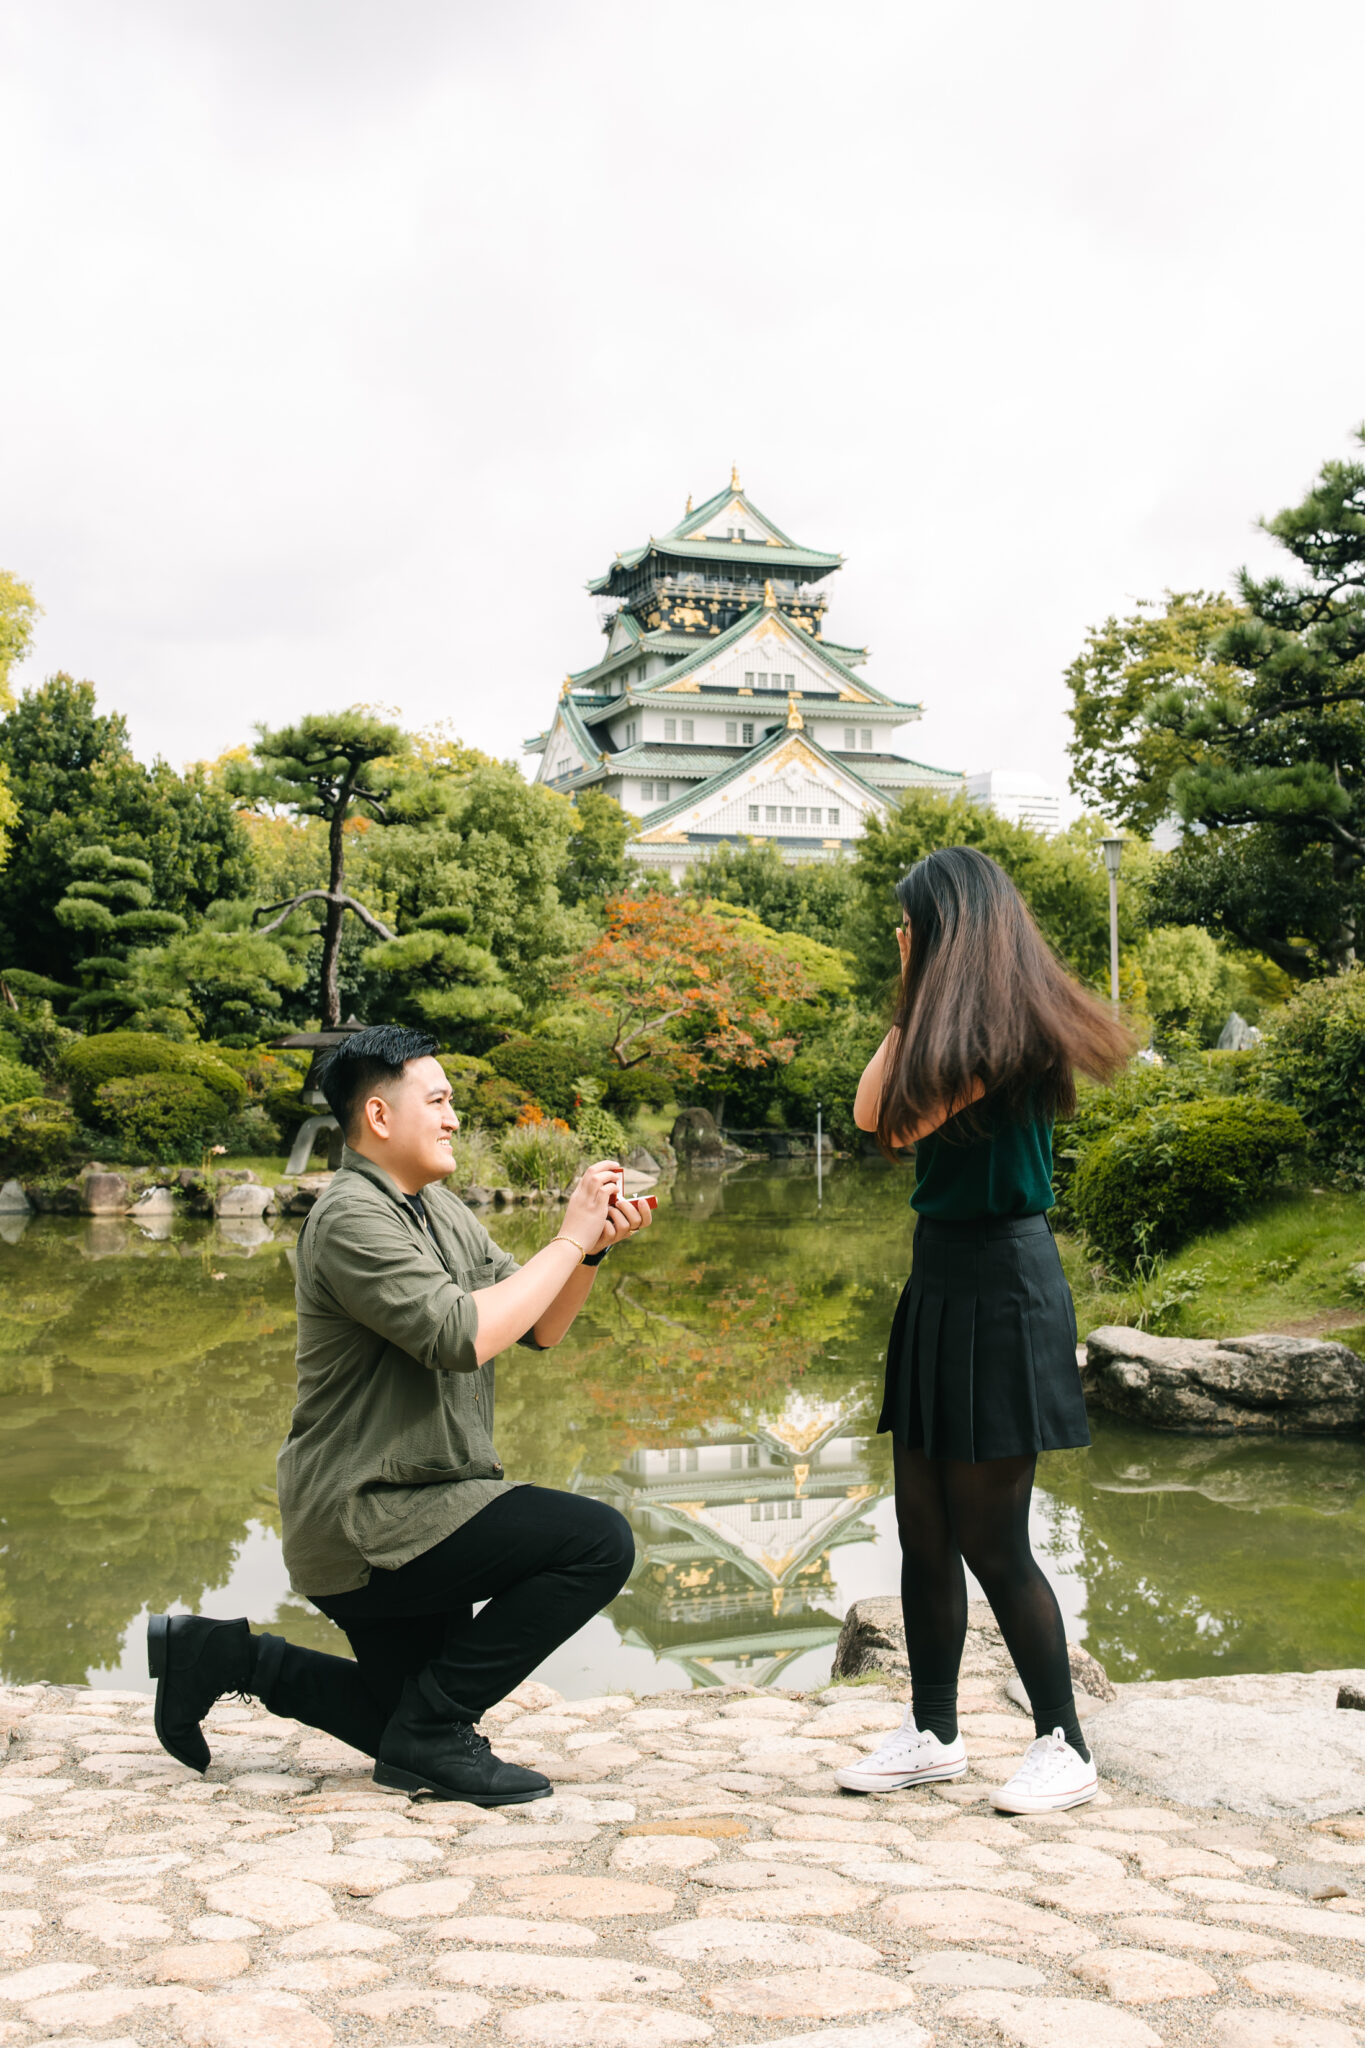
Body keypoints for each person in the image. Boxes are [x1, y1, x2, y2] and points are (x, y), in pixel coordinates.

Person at [148, 1024, 653, 1806]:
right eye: (441, 1100)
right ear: (380, 1118)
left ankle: (219, 1657)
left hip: (428, 1506)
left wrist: (586, 1254)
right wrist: (567, 1233)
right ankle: (434, 1731)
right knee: (596, 1542)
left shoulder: (439, 1209)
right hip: (368, 1519)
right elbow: (459, 1335)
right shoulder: (352, 1217)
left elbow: (540, 1325)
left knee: (399, 1719)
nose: (454, 1118)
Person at [834, 848, 1130, 1815]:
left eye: (908, 922)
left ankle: (1063, 1742)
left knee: (991, 1538)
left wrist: (916, 986)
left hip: (1003, 1280)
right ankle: (932, 1733)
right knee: (921, 1526)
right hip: (940, 1275)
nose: (896, 934)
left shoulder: (1000, 1038)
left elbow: (887, 1120)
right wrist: (914, 990)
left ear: (947, 930)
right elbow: (868, 1109)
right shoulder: (948, 1024)